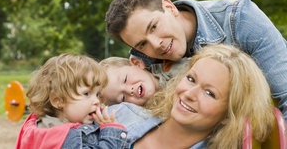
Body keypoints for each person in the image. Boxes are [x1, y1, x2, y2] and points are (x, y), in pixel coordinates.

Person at [105, 0, 287, 120]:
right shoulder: (140, 67)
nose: (156, 45)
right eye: (142, 44)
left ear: (169, 7)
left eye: (154, 26)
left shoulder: (239, 19)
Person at [109, 44, 276, 148]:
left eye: (209, 93)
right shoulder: (121, 113)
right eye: (191, 79)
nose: (189, 94)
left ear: (228, 114)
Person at [15, 54, 128, 149]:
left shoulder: (37, 129)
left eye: (97, 94)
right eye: (86, 94)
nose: (97, 101)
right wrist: (111, 132)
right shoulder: (71, 138)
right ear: (58, 101)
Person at [99, 56, 188, 106]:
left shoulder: (176, 65)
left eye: (125, 79)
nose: (129, 90)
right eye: (123, 98)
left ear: (136, 63)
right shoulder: (153, 117)